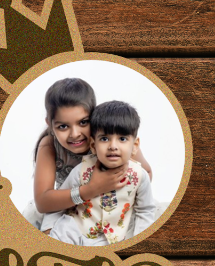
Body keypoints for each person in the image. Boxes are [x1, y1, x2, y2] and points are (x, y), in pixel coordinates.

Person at [26, 77, 153, 234]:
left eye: (83, 122)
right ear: (50, 124)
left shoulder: (113, 142)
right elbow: (43, 202)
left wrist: (123, 185)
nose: (75, 134)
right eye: (63, 126)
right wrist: (91, 189)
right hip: (67, 209)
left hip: (113, 211)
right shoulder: (49, 145)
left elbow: (146, 173)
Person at [49, 101, 156, 246]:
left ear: (135, 146)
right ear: (93, 145)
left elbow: (145, 210)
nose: (113, 146)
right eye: (104, 139)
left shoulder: (140, 176)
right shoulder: (80, 171)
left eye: (122, 139)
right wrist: (48, 230)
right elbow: (59, 203)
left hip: (109, 239)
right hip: (75, 229)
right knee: (62, 232)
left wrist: (139, 242)